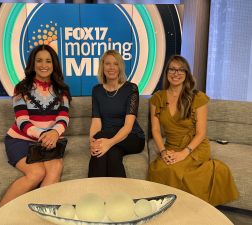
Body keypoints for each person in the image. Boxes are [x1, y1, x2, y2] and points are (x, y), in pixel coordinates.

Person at [149, 55, 238, 206]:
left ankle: (188, 208)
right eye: (172, 69)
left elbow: (201, 133)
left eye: (180, 70)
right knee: (158, 169)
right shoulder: (157, 98)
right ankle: (166, 207)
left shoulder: (197, 97)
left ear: (187, 74)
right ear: (166, 73)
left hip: (194, 146)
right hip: (171, 146)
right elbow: (155, 130)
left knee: (175, 170)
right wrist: (163, 152)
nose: (176, 73)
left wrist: (184, 153)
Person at [0, 45, 71, 210]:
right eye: (39, 60)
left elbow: (63, 117)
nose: (43, 65)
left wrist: (54, 132)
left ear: (54, 65)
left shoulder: (62, 90)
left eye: (48, 61)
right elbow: (22, 122)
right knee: (37, 173)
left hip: (50, 139)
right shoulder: (21, 89)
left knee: (56, 167)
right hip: (20, 140)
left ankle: (40, 216)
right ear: (33, 63)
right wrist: (46, 135)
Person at [88, 50, 145, 177]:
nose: (112, 67)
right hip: (107, 137)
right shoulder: (97, 90)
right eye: (108, 64)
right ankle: (118, 195)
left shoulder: (131, 88)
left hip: (132, 137)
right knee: (112, 154)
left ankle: (92, 191)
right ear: (103, 67)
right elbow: (96, 121)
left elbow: (128, 126)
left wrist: (108, 142)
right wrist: (92, 141)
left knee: (102, 140)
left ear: (120, 67)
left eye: (116, 63)